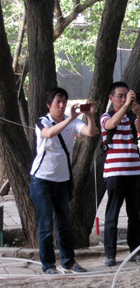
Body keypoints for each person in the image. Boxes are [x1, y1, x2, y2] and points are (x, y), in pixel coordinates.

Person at [30, 87, 98, 274]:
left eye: (64, 102)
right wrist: (69, 118)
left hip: (62, 181)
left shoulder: (73, 122)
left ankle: (68, 262)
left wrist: (90, 116)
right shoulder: (43, 121)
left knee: (64, 224)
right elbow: (49, 133)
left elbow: (91, 132)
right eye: (57, 102)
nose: (61, 106)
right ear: (48, 105)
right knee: (45, 226)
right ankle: (48, 265)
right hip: (41, 180)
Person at [100, 82, 140, 266]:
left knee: (134, 215)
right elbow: (111, 124)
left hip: (135, 172)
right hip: (115, 173)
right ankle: (110, 254)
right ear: (111, 98)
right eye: (119, 96)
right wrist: (126, 106)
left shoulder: (130, 116)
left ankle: (136, 251)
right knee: (112, 215)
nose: (123, 99)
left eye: (126, 96)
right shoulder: (107, 116)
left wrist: (139, 111)